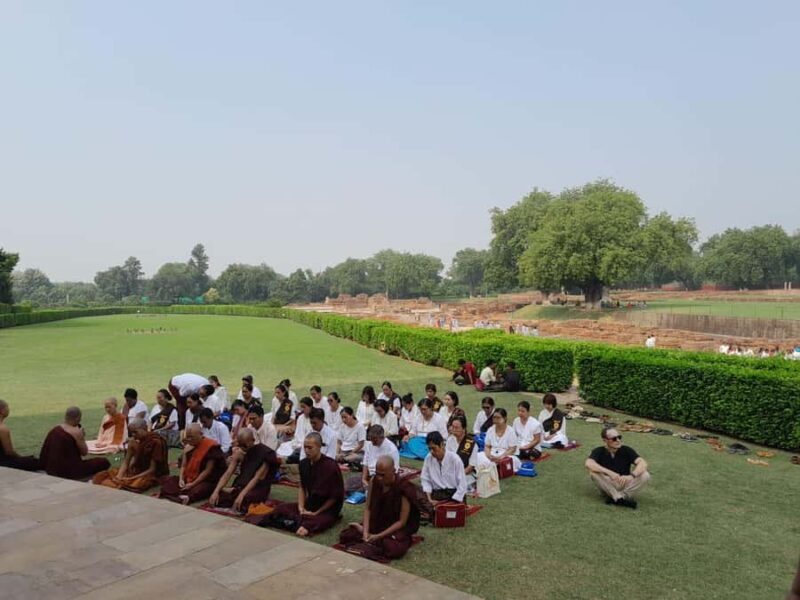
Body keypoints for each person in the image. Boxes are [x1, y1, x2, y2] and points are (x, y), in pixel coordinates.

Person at [338, 455, 421, 561]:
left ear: (393, 471)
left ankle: (375, 540)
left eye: (383, 475)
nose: (379, 478)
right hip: (378, 522)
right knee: (347, 535)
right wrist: (365, 532)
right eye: (377, 474)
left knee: (392, 548)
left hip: (394, 529)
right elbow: (368, 508)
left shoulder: (403, 487)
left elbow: (402, 522)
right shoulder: (374, 481)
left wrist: (378, 536)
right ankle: (368, 536)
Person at [266, 432, 345, 536]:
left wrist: (317, 513)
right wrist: (301, 508)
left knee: (307, 527)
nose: (307, 451)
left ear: (319, 447)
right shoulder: (304, 463)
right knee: (279, 509)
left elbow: (335, 497)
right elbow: (302, 487)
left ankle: (301, 522)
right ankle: (300, 519)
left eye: (310, 448)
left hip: (327, 509)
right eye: (305, 447)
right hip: (311, 504)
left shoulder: (331, 466)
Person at [209, 428, 281, 512]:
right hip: (240, 486)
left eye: (245, 445)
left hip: (257, 488)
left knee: (244, 501)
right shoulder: (239, 453)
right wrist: (216, 491)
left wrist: (241, 495)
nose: (242, 448)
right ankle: (235, 492)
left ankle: (236, 493)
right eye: (240, 445)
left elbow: (257, 478)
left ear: (253, 440)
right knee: (218, 497)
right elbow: (228, 473)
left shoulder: (266, 453)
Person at [93, 418, 169, 492]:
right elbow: (126, 462)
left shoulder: (156, 442)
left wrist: (131, 478)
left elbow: (152, 470)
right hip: (137, 471)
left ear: (144, 428)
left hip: (151, 474)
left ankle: (124, 482)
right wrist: (119, 476)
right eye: (131, 433)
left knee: (137, 484)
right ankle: (120, 482)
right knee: (103, 475)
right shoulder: (133, 443)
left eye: (135, 432)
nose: (133, 435)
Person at [160, 423, 227, 504]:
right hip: (188, 478)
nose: (189, 439)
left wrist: (192, 484)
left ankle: (186, 497)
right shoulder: (188, 447)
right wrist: (181, 479)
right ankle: (180, 494)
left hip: (204, 481)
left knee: (202, 489)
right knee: (169, 481)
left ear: (201, 434)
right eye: (187, 436)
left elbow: (207, 471)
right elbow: (183, 465)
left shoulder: (211, 447)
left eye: (191, 437)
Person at [585, 427, 651, 509]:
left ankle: (618, 498)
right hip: (608, 485)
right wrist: (610, 473)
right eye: (614, 439)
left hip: (625, 483)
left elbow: (643, 463)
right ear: (605, 440)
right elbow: (588, 463)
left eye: (619, 437)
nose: (618, 440)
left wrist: (631, 476)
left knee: (645, 474)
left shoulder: (626, 450)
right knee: (593, 473)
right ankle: (619, 498)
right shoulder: (599, 451)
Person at [39, 407, 110, 479]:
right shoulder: (76, 432)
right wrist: (82, 437)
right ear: (77, 418)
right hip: (68, 470)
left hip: (50, 468)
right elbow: (84, 452)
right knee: (104, 462)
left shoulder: (55, 429)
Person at [421, 432, 467, 504]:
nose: (431, 451)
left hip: (454, 494)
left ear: (442, 445)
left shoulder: (455, 459)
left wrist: (452, 502)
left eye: (434, 448)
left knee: (450, 511)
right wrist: (429, 500)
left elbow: (462, 485)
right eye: (429, 449)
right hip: (437, 494)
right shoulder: (428, 458)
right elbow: (425, 480)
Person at [0, 399, 41, 471]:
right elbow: (9, 452)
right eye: (7, 407)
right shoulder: (2, 429)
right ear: (2, 411)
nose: (8, 409)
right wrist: (21, 458)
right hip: (3, 463)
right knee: (33, 461)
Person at [478, 408, 520, 472]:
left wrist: (500, 457)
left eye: (498, 418)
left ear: (505, 418)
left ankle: (494, 467)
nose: (496, 420)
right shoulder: (490, 430)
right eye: (494, 417)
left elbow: (512, 449)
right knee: (479, 455)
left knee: (512, 460)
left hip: (506, 455)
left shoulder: (511, 431)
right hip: (492, 454)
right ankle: (493, 467)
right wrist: (489, 456)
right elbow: (487, 446)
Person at [362, 425, 400, 490]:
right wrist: (364, 479)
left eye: (375, 440)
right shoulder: (370, 445)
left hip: (383, 478)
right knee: (350, 485)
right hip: (370, 475)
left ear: (382, 437)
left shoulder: (391, 449)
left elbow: (394, 471)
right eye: (371, 439)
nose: (373, 442)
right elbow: (365, 463)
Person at [447, 414, 477, 483]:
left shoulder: (471, 443)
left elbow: (470, 467)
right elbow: (447, 460)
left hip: (466, 474)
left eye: (457, 428)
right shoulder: (450, 440)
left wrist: (457, 475)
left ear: (463, 429)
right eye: (453, 427)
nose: (454, 430)